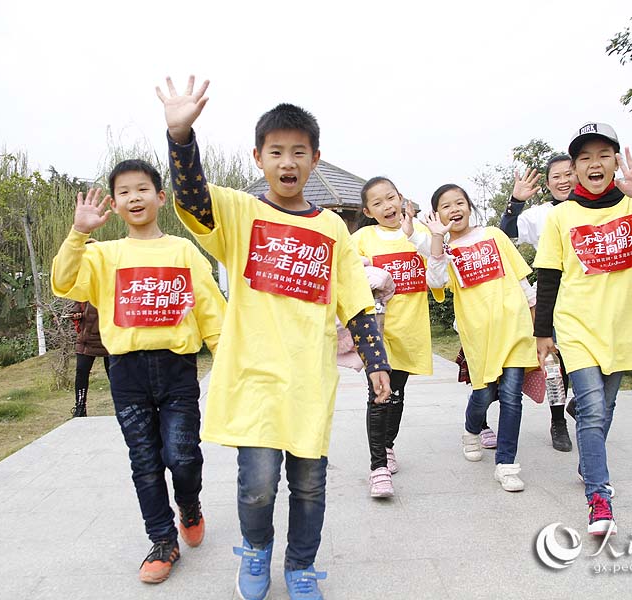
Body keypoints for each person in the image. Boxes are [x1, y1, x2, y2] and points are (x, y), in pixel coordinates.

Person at [157, 75, 391, 600]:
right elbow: (193, 200)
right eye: (277, 151)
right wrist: (180, 138)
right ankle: (256, 552)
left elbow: (354, 298)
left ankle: (302, 566)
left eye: (299, 152)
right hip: (255, 377)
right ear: (259, 157)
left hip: (309, 380)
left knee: (310, 484)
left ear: (315, 158)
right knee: (258, 483)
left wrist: (376, 361)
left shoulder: (332, 227)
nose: (288, 162)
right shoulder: (242, 214)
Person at [51, 159, 226, 584]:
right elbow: (62, 281)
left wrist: (226, 362)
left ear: (160, 197)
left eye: (142, 189)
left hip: (177, 370)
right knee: (145, 462)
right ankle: (163, 541)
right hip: (126, 373)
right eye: (125, 191)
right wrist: (79, 233)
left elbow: (211, 311)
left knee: (182, 456)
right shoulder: (103, 255)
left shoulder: (183, 251)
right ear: (115, 202)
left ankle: (189, 505)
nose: (134, 197)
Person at [533, 122, 632, 535]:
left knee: (606, 406)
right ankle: (599, 499)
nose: (593, 164)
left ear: (615, 161)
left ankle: (587, 461)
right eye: (584, 158)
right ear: (574, 168)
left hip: (623, 325)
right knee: (593, 410)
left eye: (602, 155)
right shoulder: (561, 216)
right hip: (576, 325)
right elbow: (547, 276)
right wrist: (543, 333)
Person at [424, 184, 538, 492]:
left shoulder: (494, 235)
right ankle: (472, 428)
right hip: (479, 336)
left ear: (469, 206)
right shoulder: (444, 251)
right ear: (438, 214)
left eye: (459, 202)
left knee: (512, 396)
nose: (454, 209)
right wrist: (436, 237)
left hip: (514, 328)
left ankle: (507, 464)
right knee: (484, 394)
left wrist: (537, 325)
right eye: (446, 206)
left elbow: (521, 280)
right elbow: (434, 280)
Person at [352, 177, 432, 498]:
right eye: (378, 203)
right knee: (379, 395)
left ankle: (387, 445)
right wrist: (367, 269)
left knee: (397, 394)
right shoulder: (361, 238)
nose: (388, 206)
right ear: (368, 211)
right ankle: (378, 468)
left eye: (391, 198)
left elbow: (439, 269)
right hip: (377, 332)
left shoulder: (421, 233)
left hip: (410, 331)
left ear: (401, 198)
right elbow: (344, 270)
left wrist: (424, 237)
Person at [500, 156, 579, 452]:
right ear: (548, 184)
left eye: (569, 174)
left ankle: (581, 404)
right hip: (554, 295)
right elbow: (506, 233)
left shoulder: (597, 208)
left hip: (593, 297)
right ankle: (558, 420)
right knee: (556, 362)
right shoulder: (541, 215)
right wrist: (515, 202)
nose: (564, 180)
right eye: (556, 176)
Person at [70, 240, 109, 418]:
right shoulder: (81, 280)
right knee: (81, 373)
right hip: (86, 337)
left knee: (116, 376)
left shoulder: (110, 277)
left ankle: (124, 406)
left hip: (109, 337)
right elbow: (76, 305)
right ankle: (80, 407)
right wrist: (75, 314)